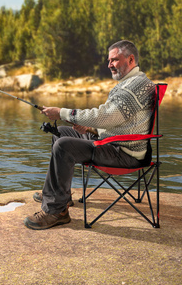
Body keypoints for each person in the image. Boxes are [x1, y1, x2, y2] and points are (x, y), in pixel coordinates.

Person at [24, 40, 156, 230]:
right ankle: (61, 196)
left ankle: (56, 211)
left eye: (114, 60)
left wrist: (62, 112)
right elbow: (119, 121)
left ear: (131, 59)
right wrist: (92, 130)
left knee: (64, 146)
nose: (109, 65)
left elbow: (105, 116)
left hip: (124, 152)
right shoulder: (134, 82)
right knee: (61, 132)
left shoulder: (133, 86)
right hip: (114, 141)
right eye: (108, 60)